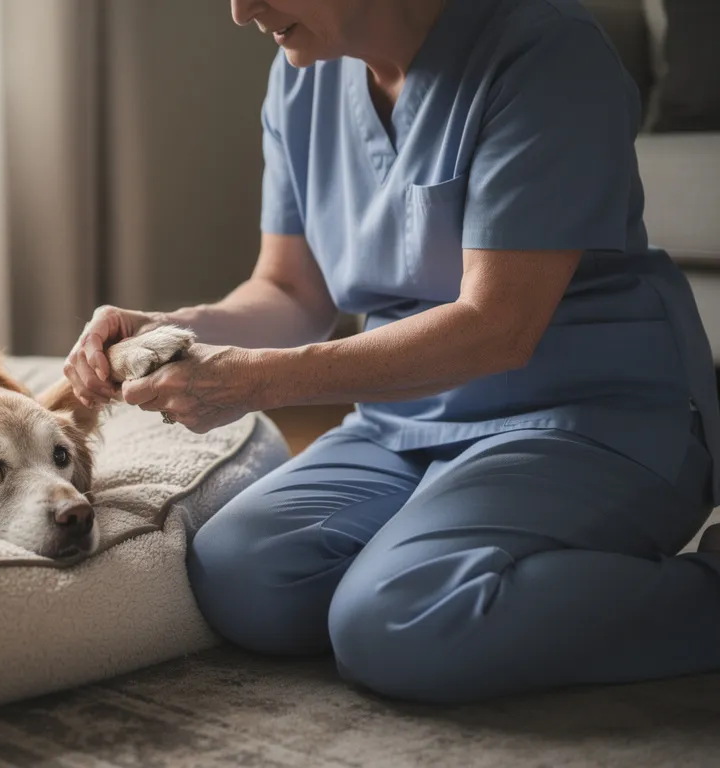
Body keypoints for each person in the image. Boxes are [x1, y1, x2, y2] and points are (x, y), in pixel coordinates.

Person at [64, 0, 720, 705]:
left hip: (585, 416)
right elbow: (291, 292)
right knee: (242, 576)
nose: (239, 9)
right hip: (402, 420)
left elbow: (498, 325)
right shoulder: (301, 78)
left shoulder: (547, 53)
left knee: (394, 619)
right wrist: (167, 330)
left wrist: (259, 383)